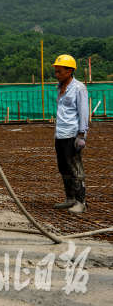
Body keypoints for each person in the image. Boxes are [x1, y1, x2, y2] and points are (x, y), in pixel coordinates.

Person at [51, 55, 89, 215]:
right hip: (60, 134)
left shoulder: (79, 88)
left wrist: (81, 135)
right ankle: (70, 199)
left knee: (75, 168)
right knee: (63, 167)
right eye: (56, 71)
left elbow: (83, 112)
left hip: (72, 135)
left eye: (60, 71)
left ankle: (81, 202)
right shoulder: (60, 87)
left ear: (70, 71)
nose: (57, 74)